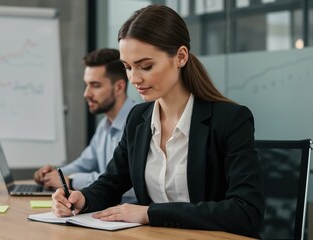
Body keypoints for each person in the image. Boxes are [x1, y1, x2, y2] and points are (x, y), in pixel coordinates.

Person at [51, 5, 264, 238]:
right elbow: (111, 183)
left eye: (146, 66)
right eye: (128, 67)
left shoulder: (230, 119)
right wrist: (82, 199)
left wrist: (150, 213)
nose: (134, 78)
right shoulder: (138, 119)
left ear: (180, 56)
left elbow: (246, 212)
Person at [34, 48, 136, 201]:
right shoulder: (104, 125)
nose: (86, 93)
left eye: (95, 85)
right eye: (86, 85)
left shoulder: (138, 124)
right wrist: (54, 175)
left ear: (119, 87)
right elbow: (83, 164)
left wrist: (72, 181)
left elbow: (131, 185)